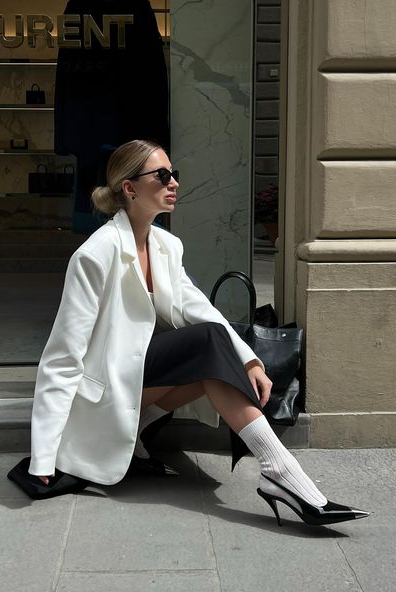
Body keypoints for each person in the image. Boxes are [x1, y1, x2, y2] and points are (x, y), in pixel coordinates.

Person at [28, 139, 370, 527]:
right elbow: (63, 356)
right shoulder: (95, 255)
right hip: (106, 386)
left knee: (211, 343)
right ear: (130, 188)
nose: (173, 182)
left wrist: (250, 359)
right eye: (161, 175)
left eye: (174, 174)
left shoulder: (166, 246)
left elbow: (201, 309)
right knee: (207, 343)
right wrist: (43, 454)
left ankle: (275, 470)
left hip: (137, 376)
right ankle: (281, 470)